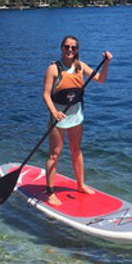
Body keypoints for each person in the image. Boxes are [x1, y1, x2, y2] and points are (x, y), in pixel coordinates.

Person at [42, 35, 112, 206]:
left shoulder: (81, 66)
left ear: (77, 49)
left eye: (74, 47)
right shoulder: (53, 68)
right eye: (67, 47)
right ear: (62, 48)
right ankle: (50, 192)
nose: (70, 50)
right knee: (55, 153)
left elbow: (101, 80)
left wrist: (106, 63)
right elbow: (46, 94)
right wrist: (54, 112)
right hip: (58, 116)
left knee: (76, 150)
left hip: (76, 115)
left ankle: (80, 185)